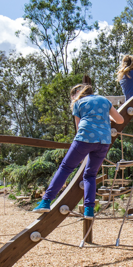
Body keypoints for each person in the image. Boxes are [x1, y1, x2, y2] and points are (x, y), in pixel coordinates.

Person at [32, 84, 124, 218]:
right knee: (90, 175)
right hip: (104, 141)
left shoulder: (78, 103)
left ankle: (46, 201)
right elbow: (120, 120)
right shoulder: (104, 100)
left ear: (77, 94)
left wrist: (79, 151)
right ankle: (89, 211)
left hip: (85, 138)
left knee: (65, 168)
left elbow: (78, 127)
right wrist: (105, 118)